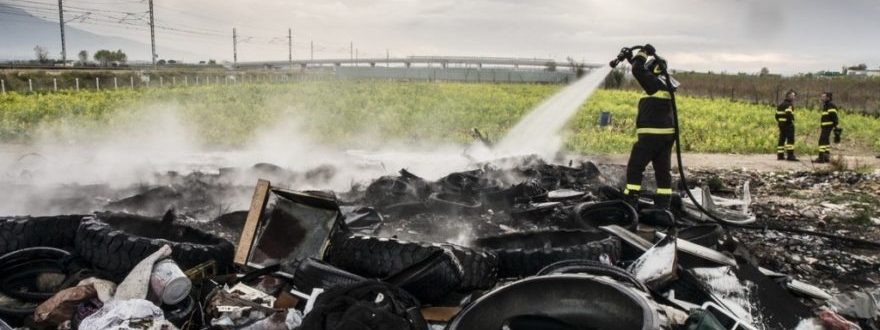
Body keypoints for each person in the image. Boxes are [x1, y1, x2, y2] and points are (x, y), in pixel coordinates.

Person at [619, 44, 677, 210]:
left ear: (654, 69)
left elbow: (639, 71)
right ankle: (663, 207)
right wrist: (632, 58)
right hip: (665, 137)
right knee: (662, 171)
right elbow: (640, 72)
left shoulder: (654, 83)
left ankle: (630, 200)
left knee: (635, 167)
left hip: (651, 136)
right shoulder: (662, 83)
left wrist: (643, 52)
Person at [814, 92, 839, 163]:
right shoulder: (826, 105)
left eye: (823, 97)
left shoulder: (830, 105)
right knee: (826, 141)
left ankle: (821, 158)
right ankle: (826, 157)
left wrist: (835, 125)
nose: (822, 98)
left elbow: (834, 116)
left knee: (821, 141)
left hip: (828, 126)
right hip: (825, 126)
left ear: (828, 97)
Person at [775, 90, 798, 161]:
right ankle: (790, 156)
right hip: (788, 124)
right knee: (790, 140)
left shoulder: (780, 105)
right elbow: (789, 114)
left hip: (781, 125)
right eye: (793, 96)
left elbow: (776, 116)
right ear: (789, 96)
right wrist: (791, 120)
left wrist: (780, 122)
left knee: (782, 139)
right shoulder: (789, 105)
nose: (794, 97)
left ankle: (780, 155)